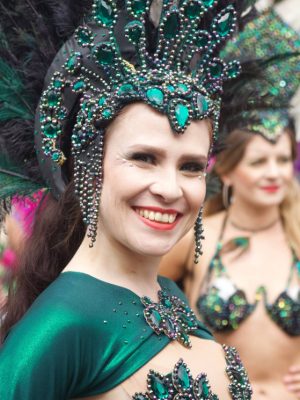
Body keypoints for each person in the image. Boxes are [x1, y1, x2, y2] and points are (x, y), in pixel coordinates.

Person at [0, 0, 258, 399]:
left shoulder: (169, 295)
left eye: (190, 166)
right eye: (144, 158)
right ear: (88, 165)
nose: (171, 189)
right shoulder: (62, 324)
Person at [160, 9, 300, 400]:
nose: (274, 172)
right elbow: (143, 306)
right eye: (259, 161)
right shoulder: (196, 241)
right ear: (229, 170)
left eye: (282, 159)